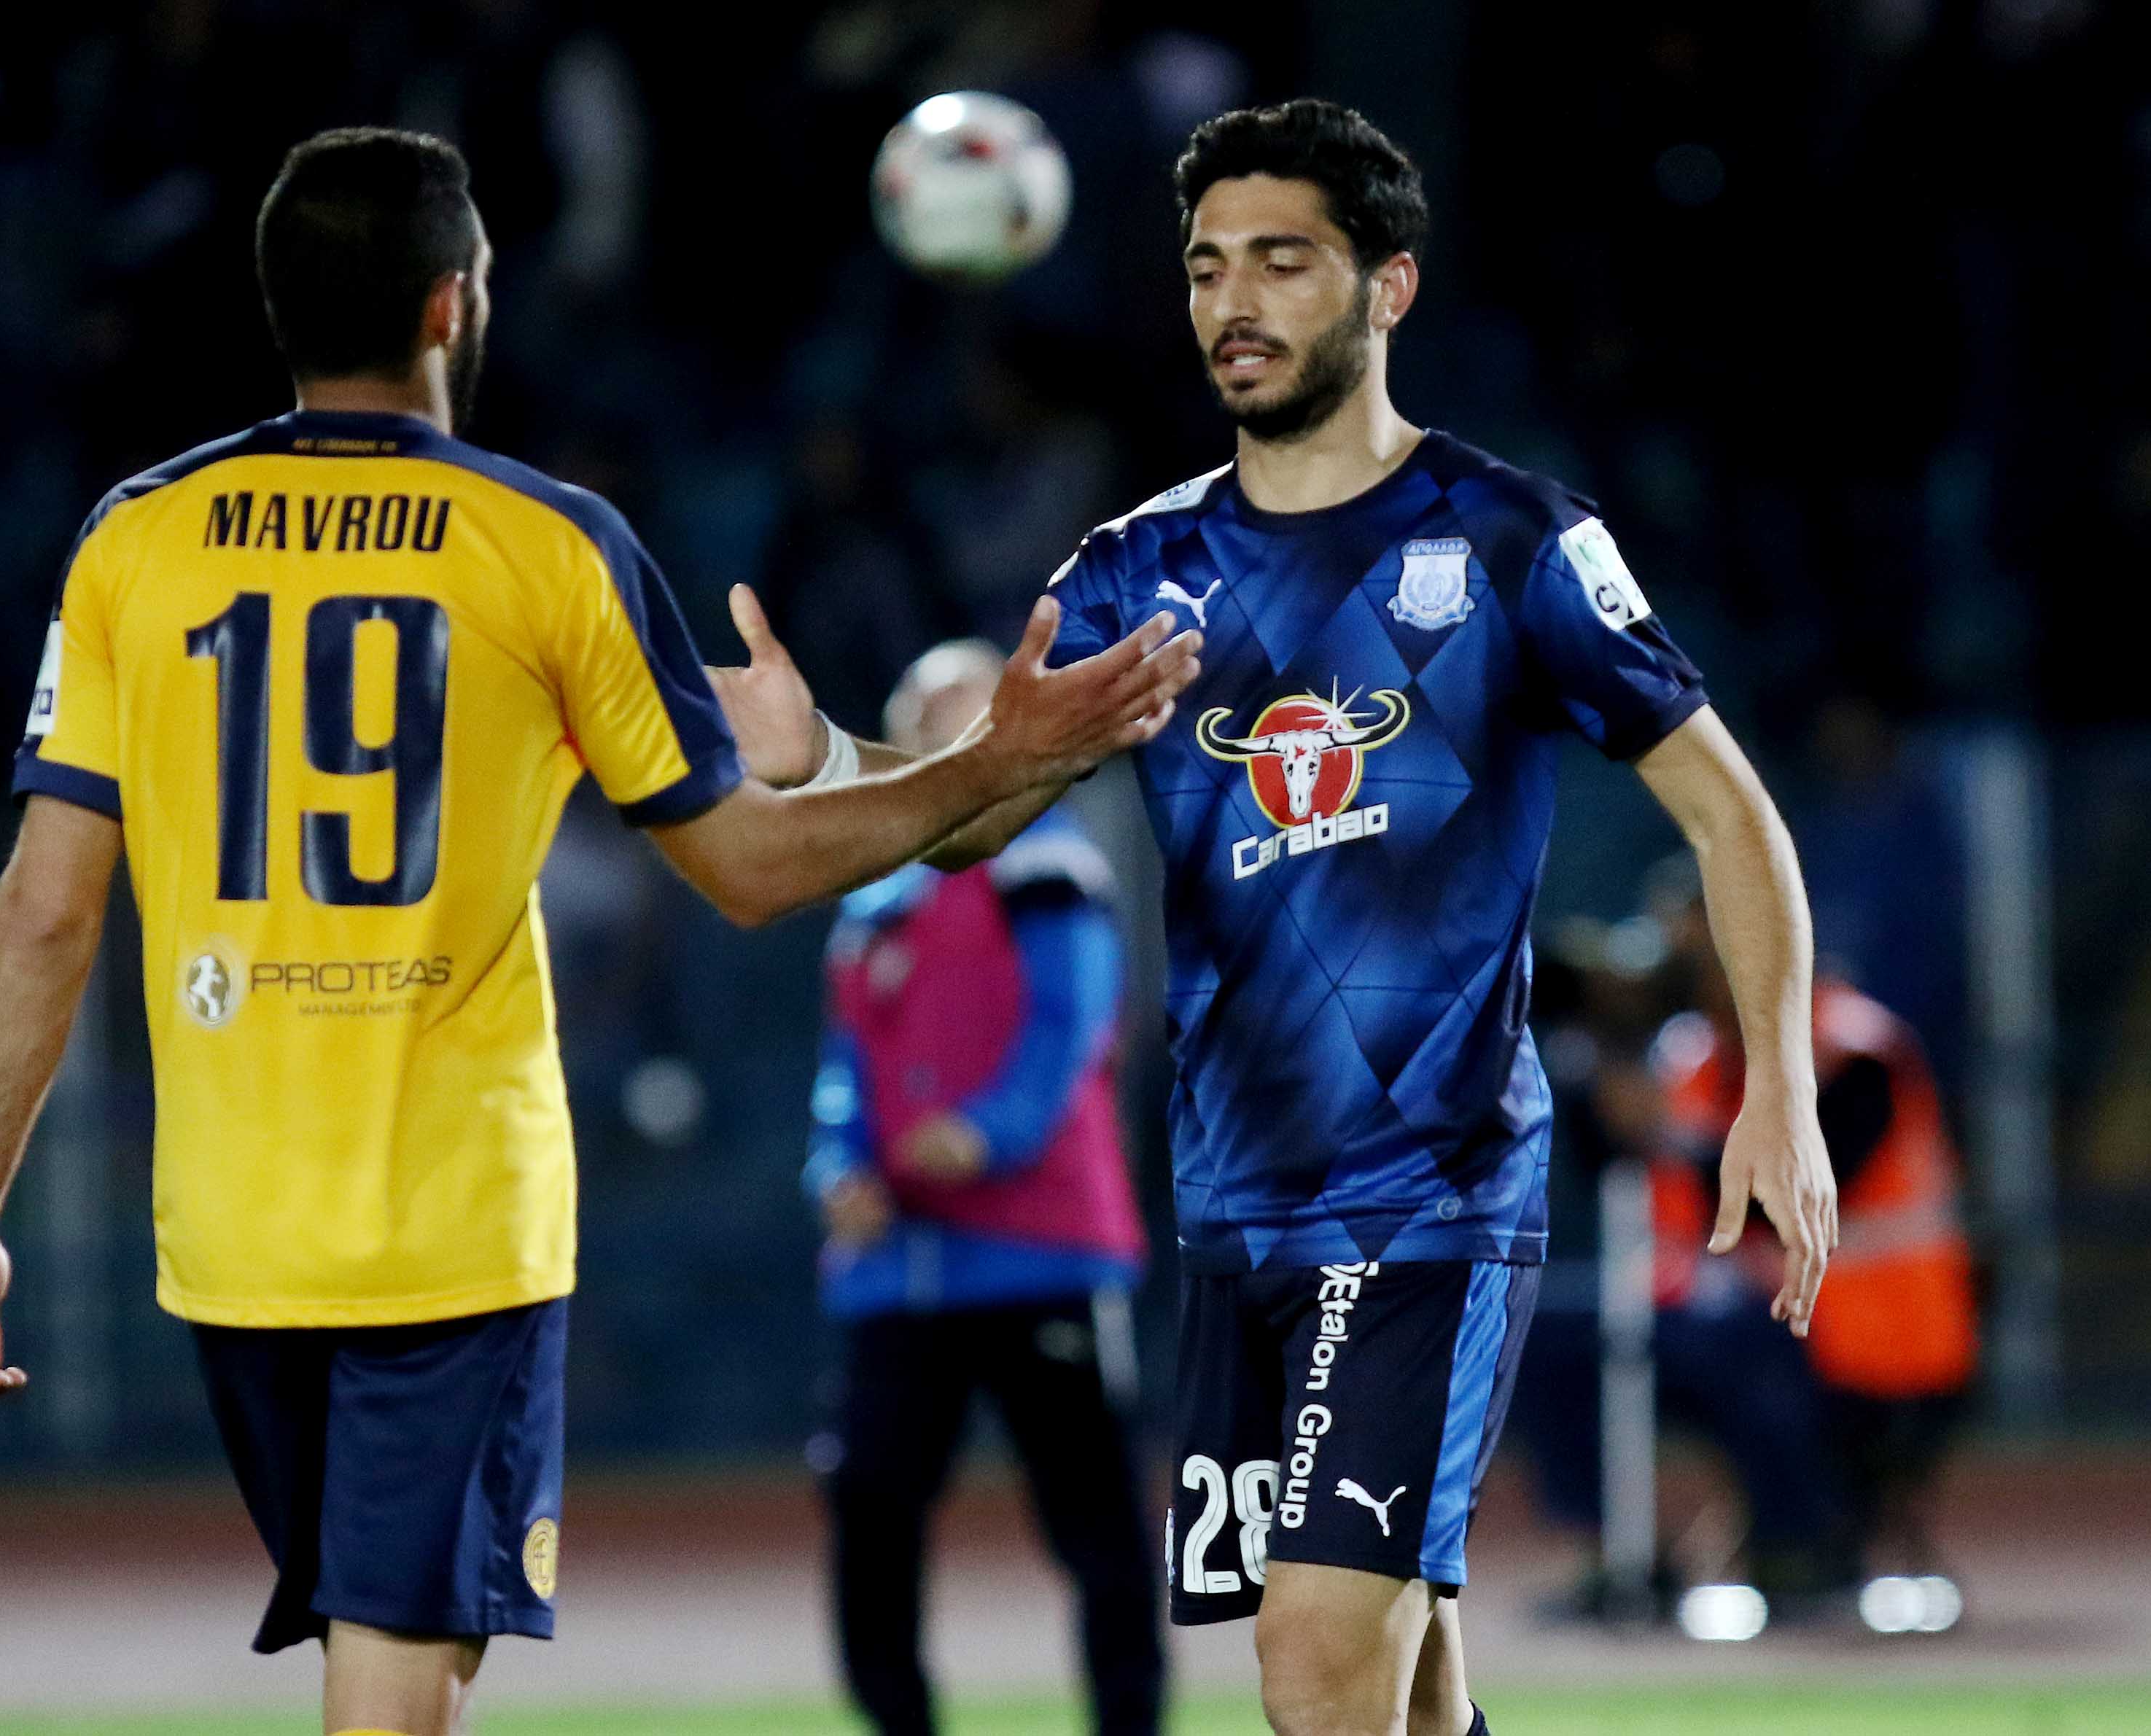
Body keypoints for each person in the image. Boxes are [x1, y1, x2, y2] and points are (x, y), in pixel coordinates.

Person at [0, 128, 1201, 1736]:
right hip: (452, 1228)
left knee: (381, 1658)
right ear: (452, 304)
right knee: (395, 1686)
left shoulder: (135, 538)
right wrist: (995, 762)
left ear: (278, 306)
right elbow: (748, 869)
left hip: (233, 1237)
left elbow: (44, 906)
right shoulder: (541, 540)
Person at [708, 100, 1837, 1736]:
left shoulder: (1510, 539)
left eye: (1281, 262)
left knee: (1311, 1660)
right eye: (1205, 266)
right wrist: (823, 756)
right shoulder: (1134, 568)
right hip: (1236, 1207)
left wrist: (1777, 1087)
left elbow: (1730, 811)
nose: (1231, 302)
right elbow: (978, 809)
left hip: (1431, 1191)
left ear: (1388, 286)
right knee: (1404, 1681)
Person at [806, 639, 1162, 1736]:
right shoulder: (875, 889)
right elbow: (843, 1064)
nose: (946, 729)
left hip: (1040, 1246)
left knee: (1094, 1519)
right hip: (900, 1266)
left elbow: (1073, 1021)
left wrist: (989, 1132)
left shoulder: (1045, 859)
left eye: (965, 706)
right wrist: (834, 1168)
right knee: (868, 1499)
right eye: (925, 713)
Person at [1649, 884, 1977, 1593]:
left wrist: (1662, 1135)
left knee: (1744, 1362)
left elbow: (1793, 1189)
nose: (1684, 975)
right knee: (1570, 1354)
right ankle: (1626, 1554)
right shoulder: (1694, 1054)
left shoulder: (1854, 1049)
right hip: (1762, 1315)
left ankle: (1798, 1548)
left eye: (1698, 954)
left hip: (1875, 1325)